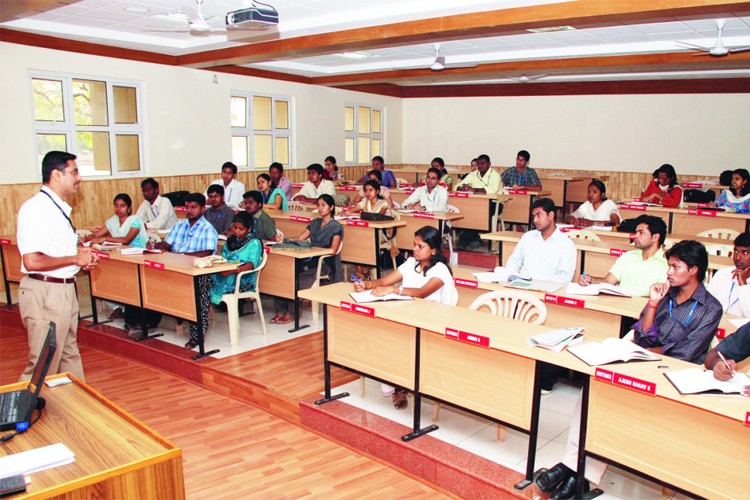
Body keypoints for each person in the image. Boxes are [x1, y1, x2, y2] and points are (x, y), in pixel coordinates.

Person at [537, 240, 723, 499]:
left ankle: (578, 472)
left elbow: (685, 354)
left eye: (675, 267)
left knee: (613, 401)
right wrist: (654, 304)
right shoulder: (665, 293)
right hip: (643, 360)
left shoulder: (711, 308)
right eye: (668, 266)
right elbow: (642, 333)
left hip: (672, 376)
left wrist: (646, 351)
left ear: (694, 270)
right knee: (593, 391)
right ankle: (575, 468)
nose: (668, 272)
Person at [16, 151, 99, 381]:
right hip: (45, 292)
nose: (79, 178)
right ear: (56, 175)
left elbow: (56, 253)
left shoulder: (57, 208)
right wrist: (74, 259)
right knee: (44, 361)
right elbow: (32, 261)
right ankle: (20, 414)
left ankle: (77, 411)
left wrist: (80, 257)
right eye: (74, 172)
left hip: (62, 290)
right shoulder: (37, 209)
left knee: (69, 355)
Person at [353, 226, 455, 409]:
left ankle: (402, 385)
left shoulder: (441, 270)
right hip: (409, 315)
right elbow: (385, 281)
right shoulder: (410, 264)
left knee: (397, 339)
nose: (415, 249)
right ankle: (398, 383)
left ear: (433, 250)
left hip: (432, 321)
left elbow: (422, 293)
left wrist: (395, 290)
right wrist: (366, 284)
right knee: (386, 335)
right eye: (414, 245)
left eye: (420, 246)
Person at [153, 193, 218, 350]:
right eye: (187, 207)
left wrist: (181, 256)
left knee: (199, 290)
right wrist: (155, 247)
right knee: (152, 280)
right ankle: (147, 322)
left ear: (203, 209)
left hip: (200, 272)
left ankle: (197, 336)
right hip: (176, 268)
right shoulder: (179, 225)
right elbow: (167, 244)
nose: (189, 210)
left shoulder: (208, 229)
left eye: (193, 207)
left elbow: (207, 253)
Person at [271, 194, 343, 324]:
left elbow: (333, 250)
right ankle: (281, 310)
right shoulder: (315, 223)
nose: (320, 208)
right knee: (285, 274)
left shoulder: (336, 226)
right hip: (309, 259)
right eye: (318, 205)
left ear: (331, 207)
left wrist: (316, 250)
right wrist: (285, 240)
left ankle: (292, 313)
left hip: (324, 262)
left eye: (323, 205)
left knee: (297, 280)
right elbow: (300, 237)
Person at [86, 193, 148, 321]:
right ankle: (118, 307)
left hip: (137, 257)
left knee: (122, 281)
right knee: (104, 278)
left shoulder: (135, 220)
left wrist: (104, 238)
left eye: (122, 206)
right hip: (119, 256)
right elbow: (97, 234)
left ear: (129, 208)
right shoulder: (113, 221)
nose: (119, 209)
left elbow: (126, 240)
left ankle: (130, 310)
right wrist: (89, 238)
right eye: (116, 205)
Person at [578, 215, 667, 297]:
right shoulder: (628, 256)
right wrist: (589, 280)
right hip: (619, 304)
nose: (635, 236)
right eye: (636, 232)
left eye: (641, 233)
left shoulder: (666, 264)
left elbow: (659, 296)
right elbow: (607, 281)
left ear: (655, 237)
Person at [505, 197, 576, 284]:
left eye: (539, 215)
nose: (535, 220)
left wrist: (540, 285)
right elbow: (513, 262)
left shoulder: (566, 244)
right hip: (522, 287)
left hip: (547, 290)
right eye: (534, 216)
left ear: (551, 215)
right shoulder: (527, 237)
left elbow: (565, 278)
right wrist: (512, 278)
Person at [210, 212, 263, 306]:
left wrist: (232, 270)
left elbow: (251, 264)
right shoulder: (231, 241)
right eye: (235, 227)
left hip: (243, 278)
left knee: (212, 281)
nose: (237, 231)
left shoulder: (254, 243)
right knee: (206, 277)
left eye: (241, 229)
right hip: (227, 270)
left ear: (249, 229)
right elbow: (224, 258)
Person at [706, 232, 750, 317]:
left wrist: (743, 284)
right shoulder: (722, 274)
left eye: (745, 252)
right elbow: (706, 304)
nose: (738, 257)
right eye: (736, 251)